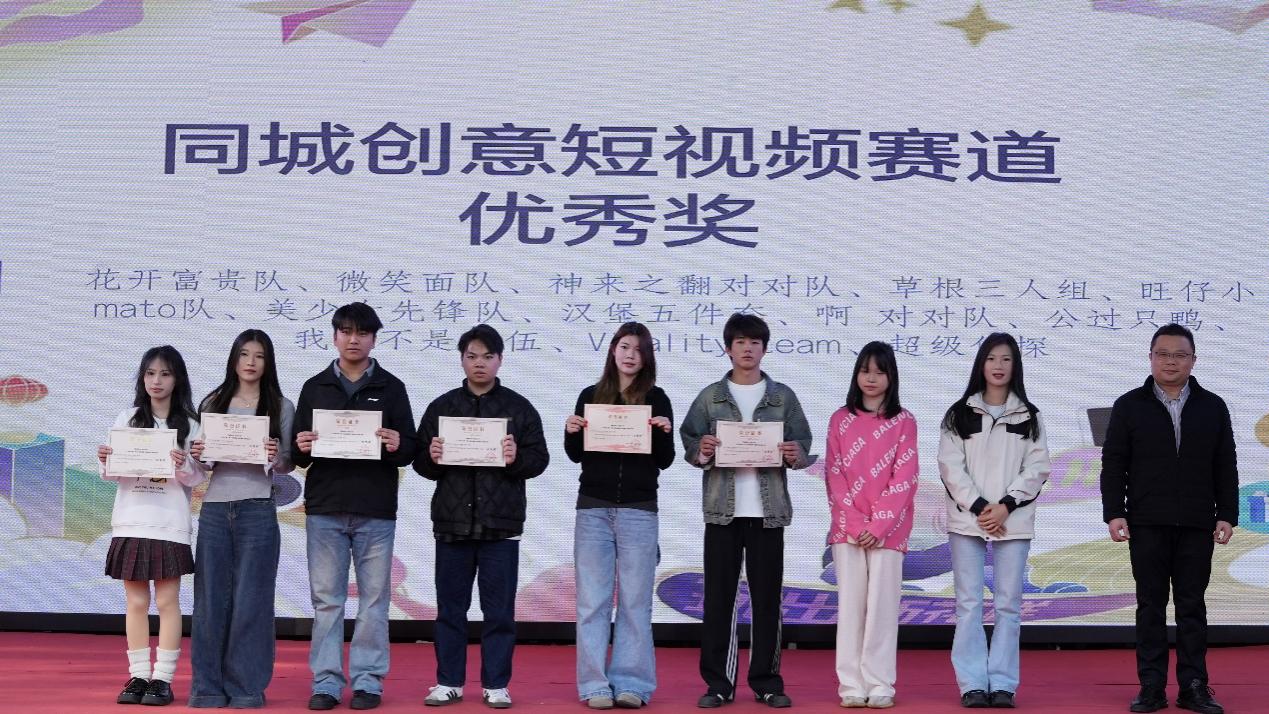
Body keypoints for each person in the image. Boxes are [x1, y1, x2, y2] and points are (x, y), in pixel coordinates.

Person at [1100, 323, 1237, 714]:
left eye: (1180, 355)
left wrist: (1227, 514)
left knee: (1192, 606)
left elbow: (1225, 463)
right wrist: (1114, 512)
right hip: (1146, 521)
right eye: (1163, 354)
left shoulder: (1213, 406)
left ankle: (1194, 686)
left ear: (1193, 360)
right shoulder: (1129, 405)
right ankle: (1151, 687)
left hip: (1197, 522)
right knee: (1150, 606)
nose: (1171, 362)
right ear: (1150, 358)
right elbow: (1114, 464)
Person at [679, 313, 812, 709]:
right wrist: (702, 450)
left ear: (764, 349)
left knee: (767, 599)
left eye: (755, 342)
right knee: (718, 599)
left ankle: (766, 682)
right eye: (740, 342)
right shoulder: (710, 396)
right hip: (722, 512)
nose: (748, 348)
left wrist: (795, 454)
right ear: (728, 348)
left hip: (768, 514)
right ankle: (718, 684)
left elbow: (802, 443)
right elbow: (689, 441)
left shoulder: (783, 396)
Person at [414, 324, 549, 709]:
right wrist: (432, 457)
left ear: (499, 360)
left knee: (499, 613)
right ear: (462, 360)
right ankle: (449, 682)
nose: (479, 363)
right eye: (472, 356)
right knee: (450, 610)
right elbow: (420, 461)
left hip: (500, 528)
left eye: (487, 357)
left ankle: (496, 684)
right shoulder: (442, 407)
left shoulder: (519, 408)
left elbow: (539, 460)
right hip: (452, 526)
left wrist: (515, 458)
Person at [292, 303, 418, 711]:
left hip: (375, 509)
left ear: (374, 339)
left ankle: (368, 681)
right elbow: (298, 453)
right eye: (345, 331)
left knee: (374, 602)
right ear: (334, 337)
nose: (353, 339)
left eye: (362, 333)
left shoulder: (392, 387)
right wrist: (301, 445)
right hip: (325, 508)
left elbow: (410, 449)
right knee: (327, 602)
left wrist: (398, 444)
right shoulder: (315, 387)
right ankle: (326, 683)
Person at [564, 322, 675, 710]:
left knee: (635, 603)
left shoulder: (657, 398)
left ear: (647, 358)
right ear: (613, 350)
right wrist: (572, 430)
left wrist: (663, 432)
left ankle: (633, 684)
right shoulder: (590, 396)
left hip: (639, 510)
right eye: (625, 347)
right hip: (593, 509)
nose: (631, 355)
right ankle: (594, 684)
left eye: (639, 350)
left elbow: (665, 460)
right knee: (592, 603)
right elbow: (576, 455)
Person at [937, 332, 1050, 709]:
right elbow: (950, 467)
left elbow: (1037, 468)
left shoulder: (1029, 415)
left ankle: (1002, 684)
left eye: (1006, 359)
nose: (998, 366)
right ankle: (971, 683)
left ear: (1015, 365)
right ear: (980, 364)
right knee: (969, 604)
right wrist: (982, 507)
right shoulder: (959, 413)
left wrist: (1004, 506)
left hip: (1012, 522)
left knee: (1008, 605)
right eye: (991, 358)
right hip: (968, 522)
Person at [188, 329, 295, 708]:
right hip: (216, 509)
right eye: (244, 354)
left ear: (269, 363)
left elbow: (287, 464)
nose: (251, 362)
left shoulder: (281, 406)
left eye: (259, 356)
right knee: (209, 601)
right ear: (233, 359)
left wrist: (275, 454)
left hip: (258, 509)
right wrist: (199, 453)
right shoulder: (213, 401)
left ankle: (246, 688)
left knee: (253, 600)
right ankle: (207, 688)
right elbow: (203, 463)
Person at [99, 345, 207, 707]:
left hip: (168, 523)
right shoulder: (127, 418)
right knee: (135, 602)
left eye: (164, 373)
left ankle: (162, 678)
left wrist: (182, 463)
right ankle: (138, 675)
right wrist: (106, 459)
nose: (156, 381)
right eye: (150, 373)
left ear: (178, 379)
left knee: (167, 601)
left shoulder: (190, 423)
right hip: (131, 520)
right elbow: (112, 474)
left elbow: (197, 477)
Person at [824, 341, 918, 710]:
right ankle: (851, 684)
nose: (872, 378)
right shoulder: (839, 419)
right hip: (847, 530)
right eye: (866, 371)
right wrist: (855, 522)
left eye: (880, 372)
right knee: (850, 607)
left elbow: (905, 478)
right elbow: (835, 476)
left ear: (891, 376)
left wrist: (878, 525)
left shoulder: (904, 421)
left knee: (882, 608)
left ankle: (880, 684)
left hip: (889, 533)